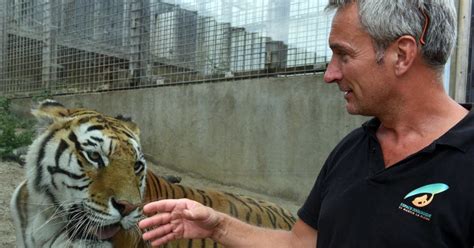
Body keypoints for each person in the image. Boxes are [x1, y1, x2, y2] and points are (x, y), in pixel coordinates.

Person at [140, 0, 474, 247]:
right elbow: (301, 243)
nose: (330, 74)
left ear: (401, 55)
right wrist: (218, 226)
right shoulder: (352, 151)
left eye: (343, 55)